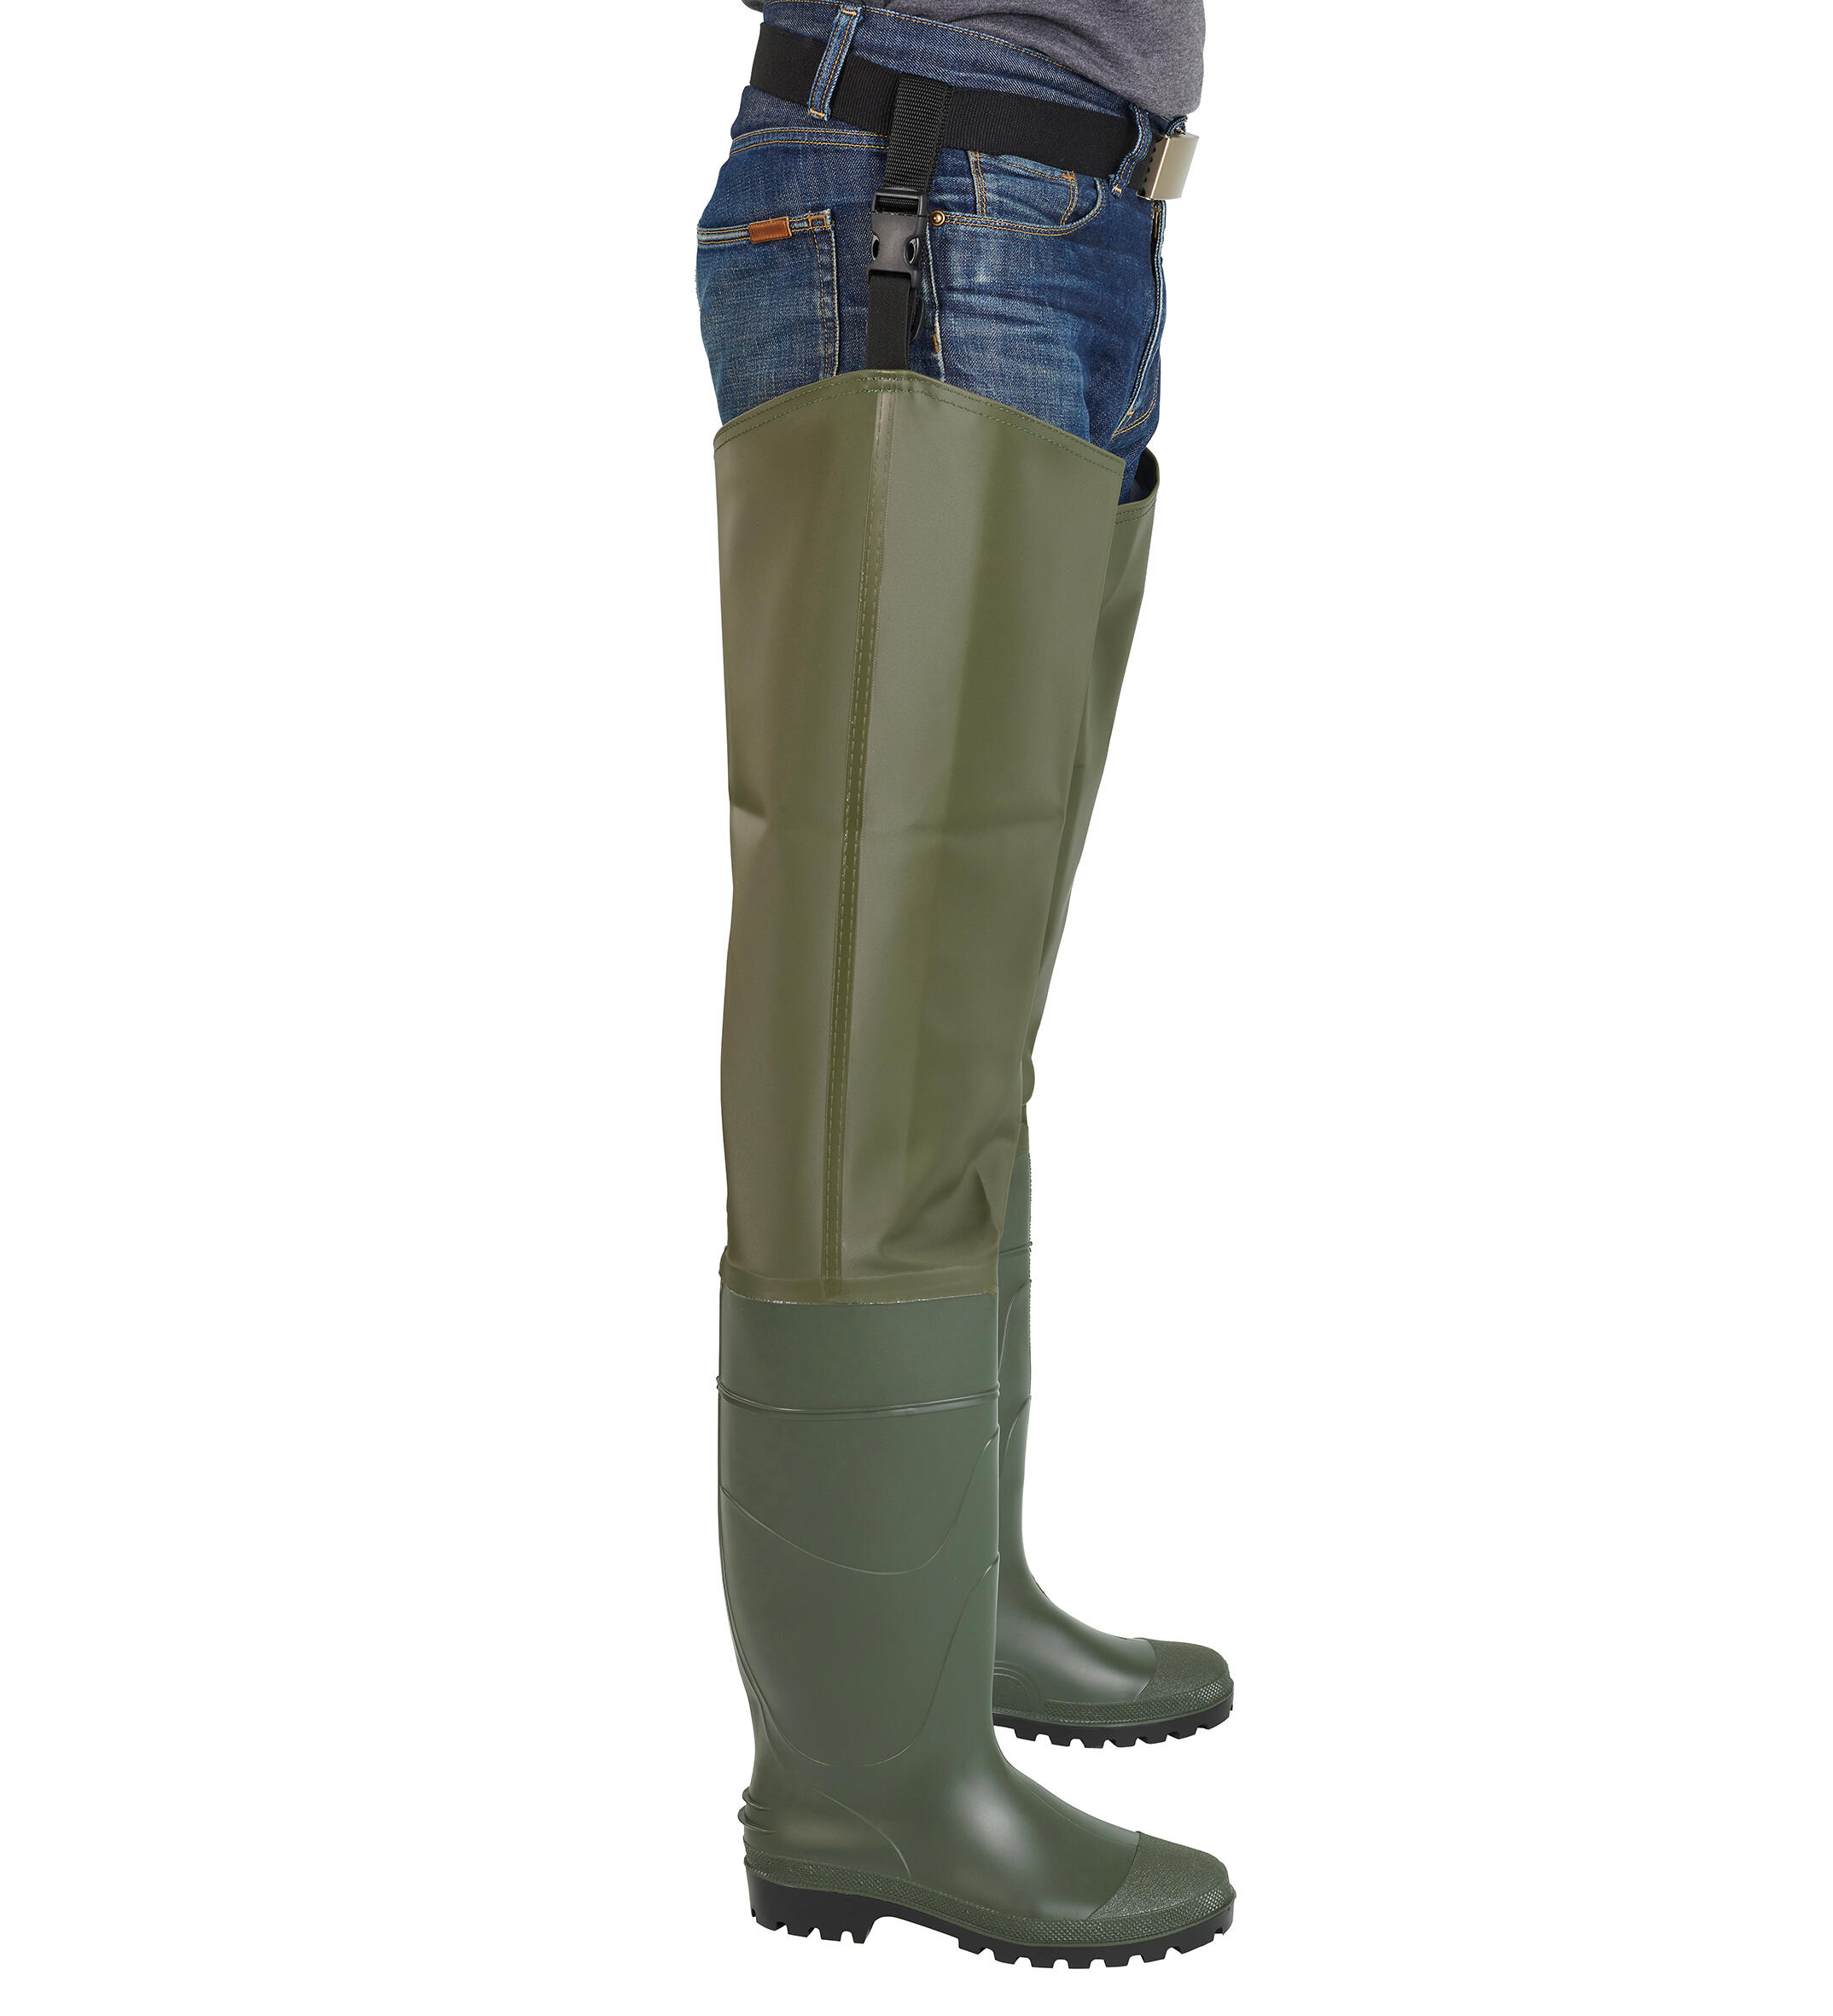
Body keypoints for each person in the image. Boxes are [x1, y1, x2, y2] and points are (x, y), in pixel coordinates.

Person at [696, 3, 1233, 1966]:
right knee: (874, 1062)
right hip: (930, 197)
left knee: (957, 1025)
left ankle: (944, 1609)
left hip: (1058, 211)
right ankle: (859, 1773)